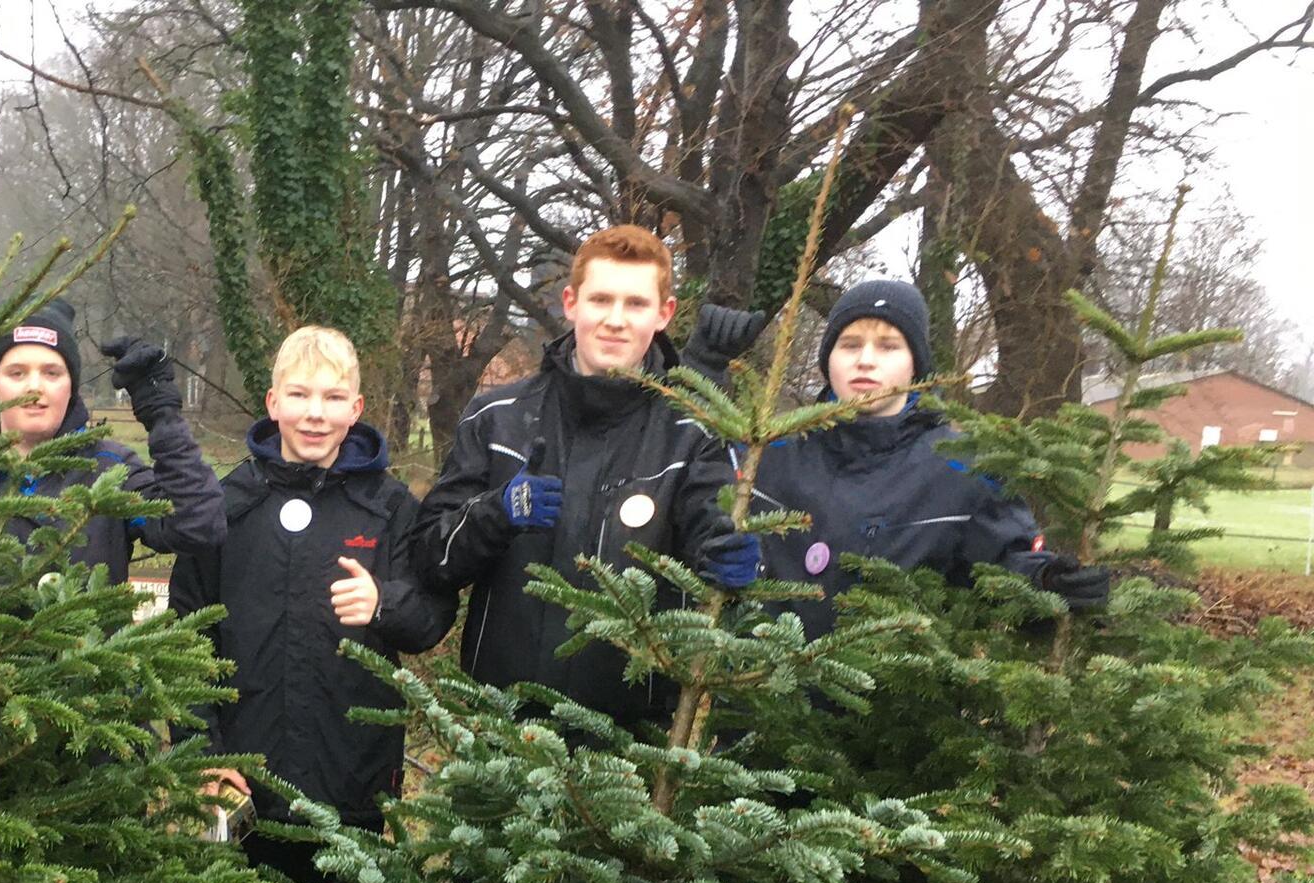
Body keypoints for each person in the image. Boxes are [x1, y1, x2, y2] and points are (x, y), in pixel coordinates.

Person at [407, 224, 759, 726]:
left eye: (636, 304)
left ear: (664, 314)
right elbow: (428, 558)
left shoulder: (692, 434)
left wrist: (728, 554)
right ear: (571, 303)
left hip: (631, 746)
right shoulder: (497, 417)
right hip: (499, 731)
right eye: (601, 299)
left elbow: (713, 527)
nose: (615, 320)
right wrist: (495, 513)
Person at [169, 325, 455, 883]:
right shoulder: (226, 508)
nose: (314, 414)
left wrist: (383, 603)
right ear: (273, 403)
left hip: (354, 782)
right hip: (246, 784)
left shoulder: (390, 507)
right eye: (298, 395)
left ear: (356, 408)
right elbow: (186, 639)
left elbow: (428, 620)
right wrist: (200, 752)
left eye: (331, 398)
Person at [747, 279, 1109, 640]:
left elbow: (1004, 570)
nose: (865, 360)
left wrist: (1049, 582)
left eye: (889, 347)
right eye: (850, 345)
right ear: (828, 360)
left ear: (915, 366)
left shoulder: (962, 467)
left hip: (891, 692)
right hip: (758, 686)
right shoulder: (772, 451)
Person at [0, 298, 221, 586]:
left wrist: (163, 415)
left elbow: (198, 525)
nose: (34, 387)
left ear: (71, 387)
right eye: (16, 373)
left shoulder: (110, 472)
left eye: (52, 373)